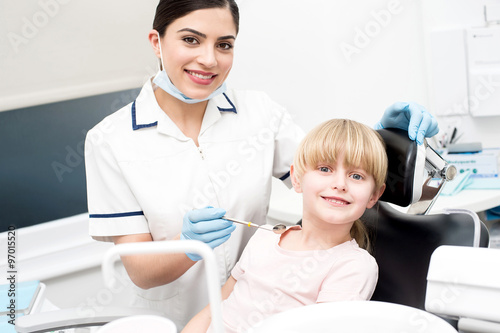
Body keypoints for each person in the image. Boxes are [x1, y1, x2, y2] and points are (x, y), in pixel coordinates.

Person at [84, 0, 438, 329]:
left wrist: (384, 138)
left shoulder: (260, 115)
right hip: (177, 320)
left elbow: (329, 171)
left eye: (224, 44)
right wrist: (187, 243)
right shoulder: (110, 141)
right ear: (156, 42)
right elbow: (141, 272)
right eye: (191, 40)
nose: (209, 59)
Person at [182, 119, 388, 332]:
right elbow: (212, 311)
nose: (340, 184)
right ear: (296, 179)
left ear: (374, 195)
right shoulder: (265, 237)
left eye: (356, 176)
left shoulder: (352, 267)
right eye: (325, 169)